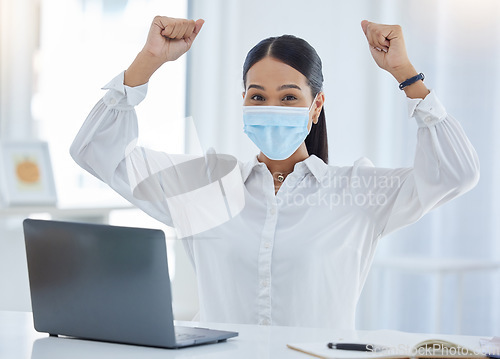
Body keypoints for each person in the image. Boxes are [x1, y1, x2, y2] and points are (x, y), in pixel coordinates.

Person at [70, 16, 480, 329]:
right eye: (257, 96)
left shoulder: (357, 192)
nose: (272, 108)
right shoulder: (203, 185)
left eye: (289, 97)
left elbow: (455, 173)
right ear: (243, 103)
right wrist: (148, 62)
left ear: (315, 106)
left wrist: (408, 76)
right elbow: (95, 151)